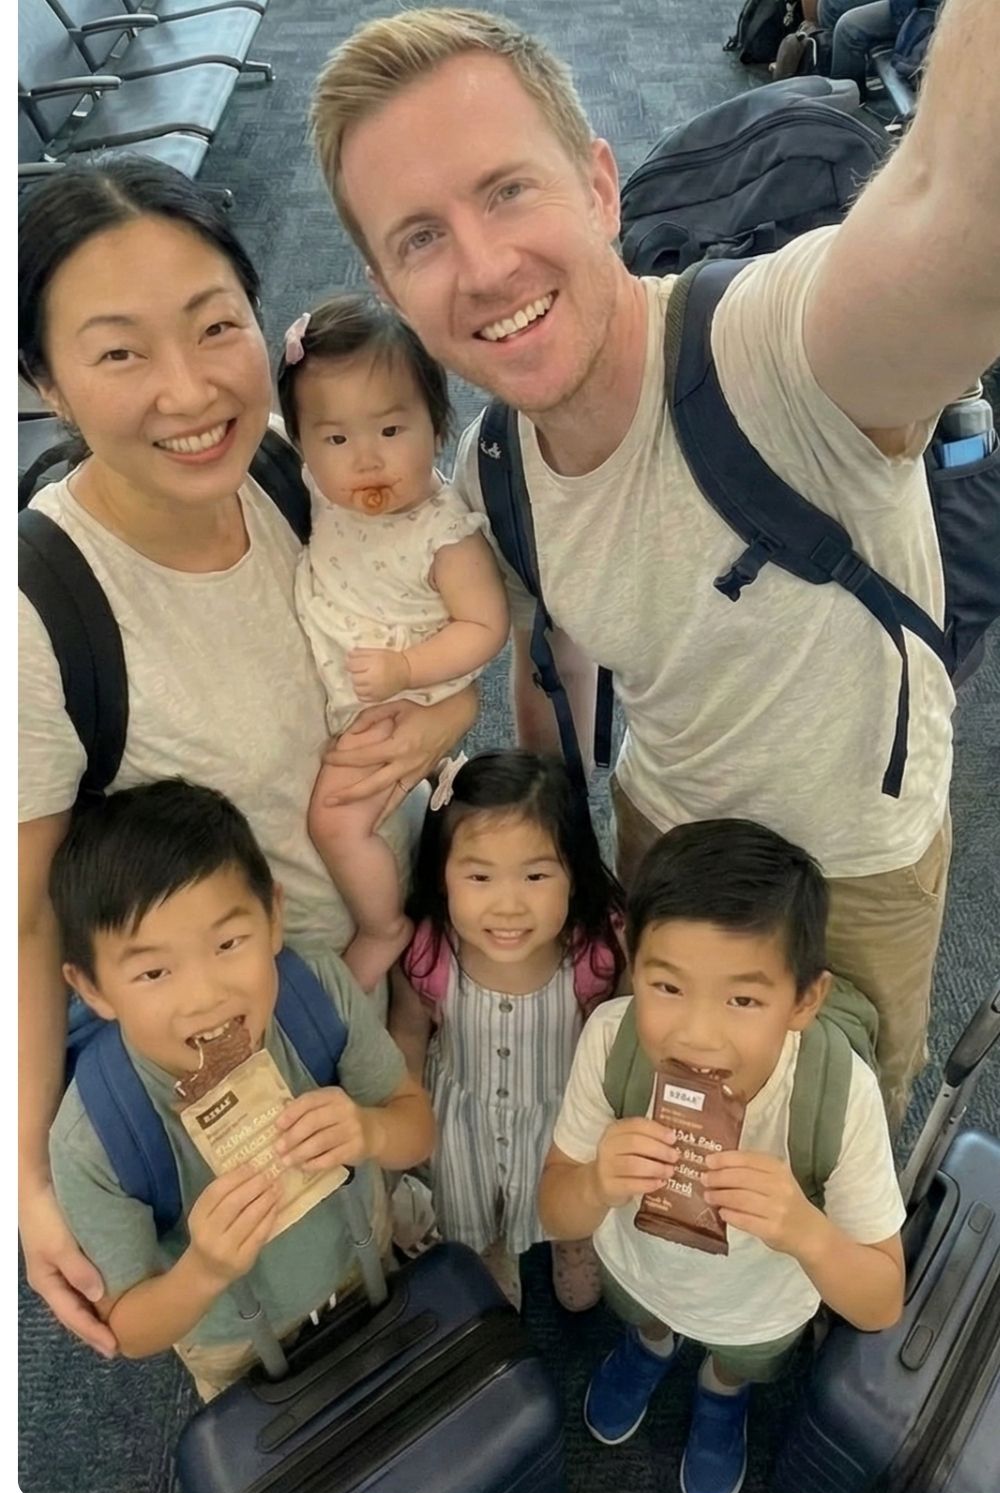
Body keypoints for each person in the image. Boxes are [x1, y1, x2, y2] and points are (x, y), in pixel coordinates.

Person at [308, 2, 1000, 1135]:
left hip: (849, 872)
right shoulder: (494, 470)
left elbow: (960, 213)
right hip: (661, 834)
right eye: (419, 237)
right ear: (389, 288)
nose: (481, 268)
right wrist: (558, 840)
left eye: (506, 190)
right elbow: (554, 654)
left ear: (598, 186)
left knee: (831, 1150)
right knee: (670, 1128)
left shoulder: (779, 353)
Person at [18, 158, 475, 1359]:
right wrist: (27, 1179)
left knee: (399, 1156)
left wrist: (438, 725)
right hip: (247, 1007)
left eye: (212, 326)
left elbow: (409, 622)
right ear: (42, 384)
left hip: (379, 915)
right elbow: (28, 923)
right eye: (118, 352)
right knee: (279, 1286)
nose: (186, 390)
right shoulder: (43, 612)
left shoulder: (286, 459)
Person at [538, 819, 905, 1493]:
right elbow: (555, 1207)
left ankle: (721, 1393)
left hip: (759, 1313)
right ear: (631, 958)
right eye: (667, 987)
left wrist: (805, 1230)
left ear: (804, 1001)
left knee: (742, 1362)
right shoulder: (610, 1041)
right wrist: (594, 1182)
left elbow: (882, 1301)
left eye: (743, 999)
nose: (697, 1035)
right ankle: (648, 1347)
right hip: (638, 1271)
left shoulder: (838, 1093)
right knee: (643, 1317)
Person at [46, 779, 436, 1401]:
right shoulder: (93, 1135)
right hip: (233, 1346)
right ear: (92, 989)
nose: (205, 997)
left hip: (366, 1254)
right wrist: (203, 1271)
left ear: (274, 917)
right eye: (153, 971)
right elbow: (130, 1327)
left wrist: (370, 1130)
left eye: (228, 943)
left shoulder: (318, 995)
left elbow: (415, 1127)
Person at [275, 293, 508, 991]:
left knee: (336, 821)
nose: (366, 460)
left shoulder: (442, 532)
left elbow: (485, 627)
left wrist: (408, 666)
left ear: (436, 426)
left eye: (391, 429)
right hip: (348, 686)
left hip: (392, 700)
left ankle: (383, 927)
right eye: (336, 440)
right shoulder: (321, 490)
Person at [389, 749, 626, 1311]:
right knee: (470, 1208)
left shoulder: (594, 951)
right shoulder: (429, 950)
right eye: (479, 876)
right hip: (461, 1121)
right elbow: (408, 1034)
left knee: (559, 1194)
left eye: (537, 874)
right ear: (443, 877)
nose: (509, 904)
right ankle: (490, 1256)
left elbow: (618, 1039)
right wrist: (407, 1109)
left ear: (575, 870)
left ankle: (572, 1241)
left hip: (558, 1119)